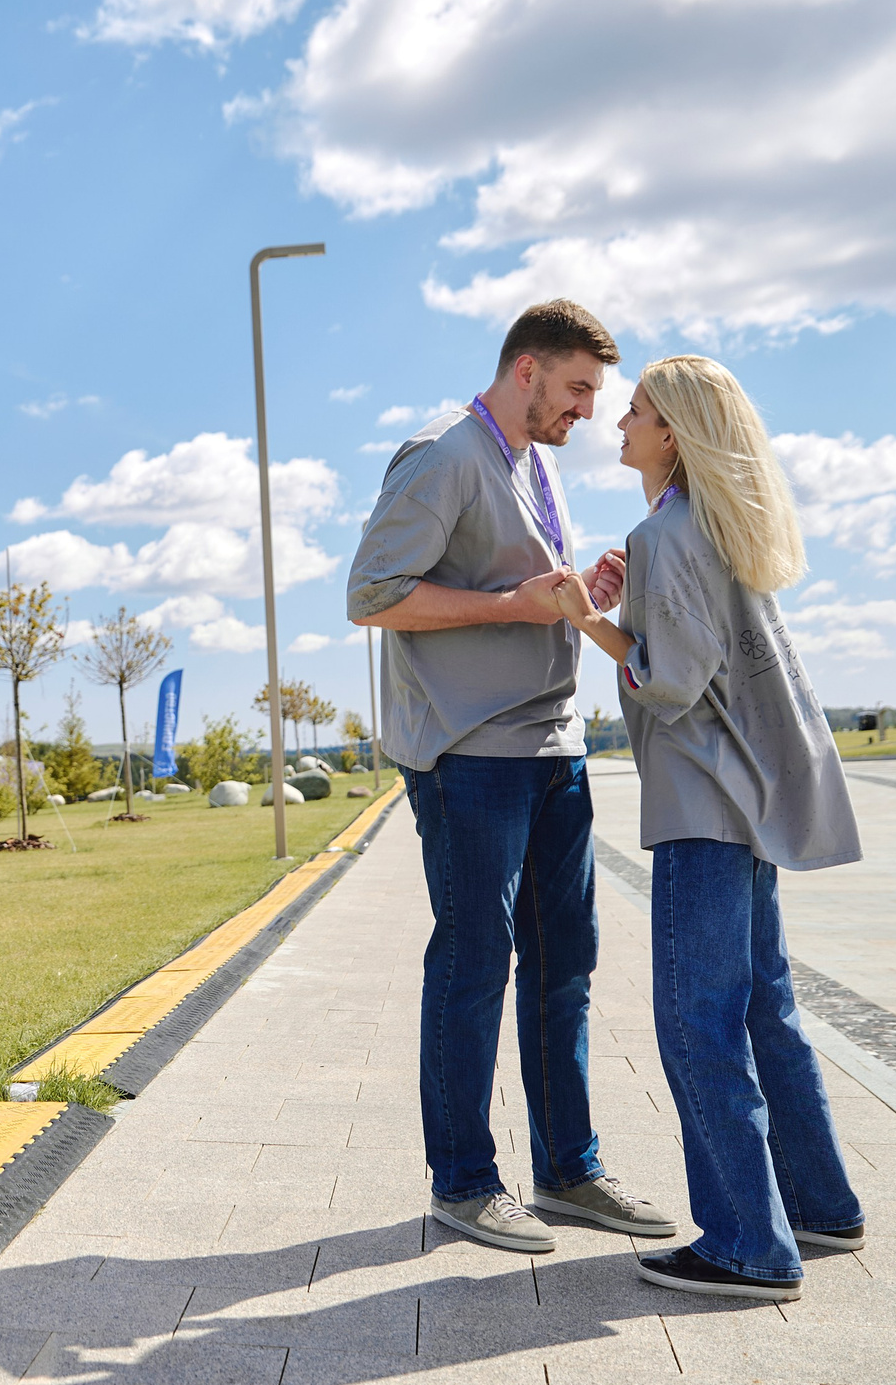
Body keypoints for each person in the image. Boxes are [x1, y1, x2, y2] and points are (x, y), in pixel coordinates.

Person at [348, 299, 676, 1254]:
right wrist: (511, 603)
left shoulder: (534, 461)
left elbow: (527, 593)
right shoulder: (443, 453)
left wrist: (578, 593)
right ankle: (463, 1182)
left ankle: (569, 1170)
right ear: (526, 371)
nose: (587, 413)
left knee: (563, 966)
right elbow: (373, 596)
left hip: (553, 750)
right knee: (474, 963)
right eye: (577, 389)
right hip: (470, 756)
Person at [554, 355, 864, 1302]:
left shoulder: (672, 535)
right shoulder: (699, 529)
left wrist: (586, 619)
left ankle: (745, 1244)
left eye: (636, 412)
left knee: (698, 1017)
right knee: (763, 1005)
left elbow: (673, 681)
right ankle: (819, 1206)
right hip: (748, 807)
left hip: (700, 811)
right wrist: (628, 582)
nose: (618, 423)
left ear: (672, 436)